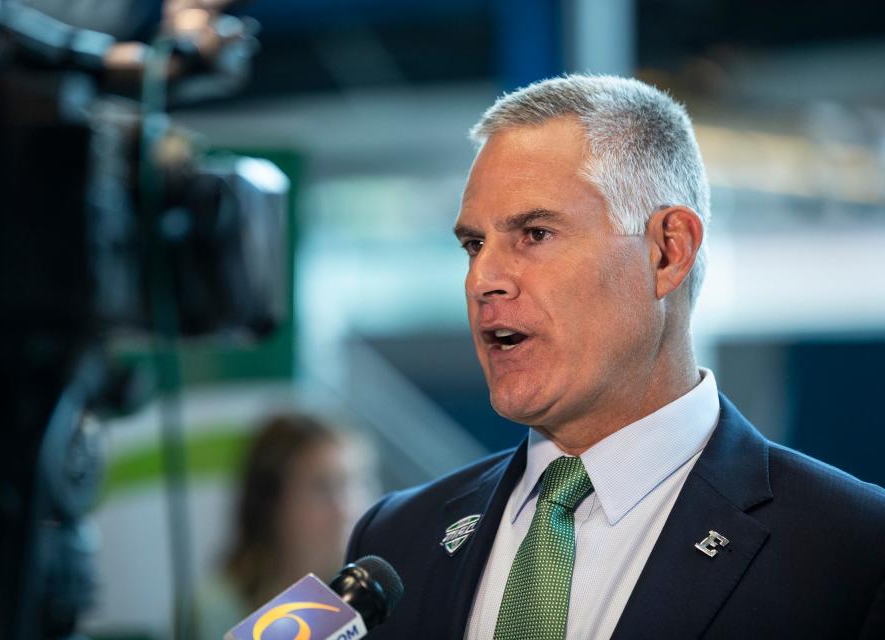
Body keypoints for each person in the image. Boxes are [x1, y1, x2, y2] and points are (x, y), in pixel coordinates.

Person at [344, 75, 885, 639]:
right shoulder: (393, 541)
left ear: (666, 252)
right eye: (474, 244)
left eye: (534, 233)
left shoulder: (854, 549)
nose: (483, 279)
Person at [196, 412, 374, 639]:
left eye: (356, 483)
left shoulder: (371, 599)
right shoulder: (218, 609)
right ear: (271, 505)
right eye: (322, 488)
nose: (345, 509)